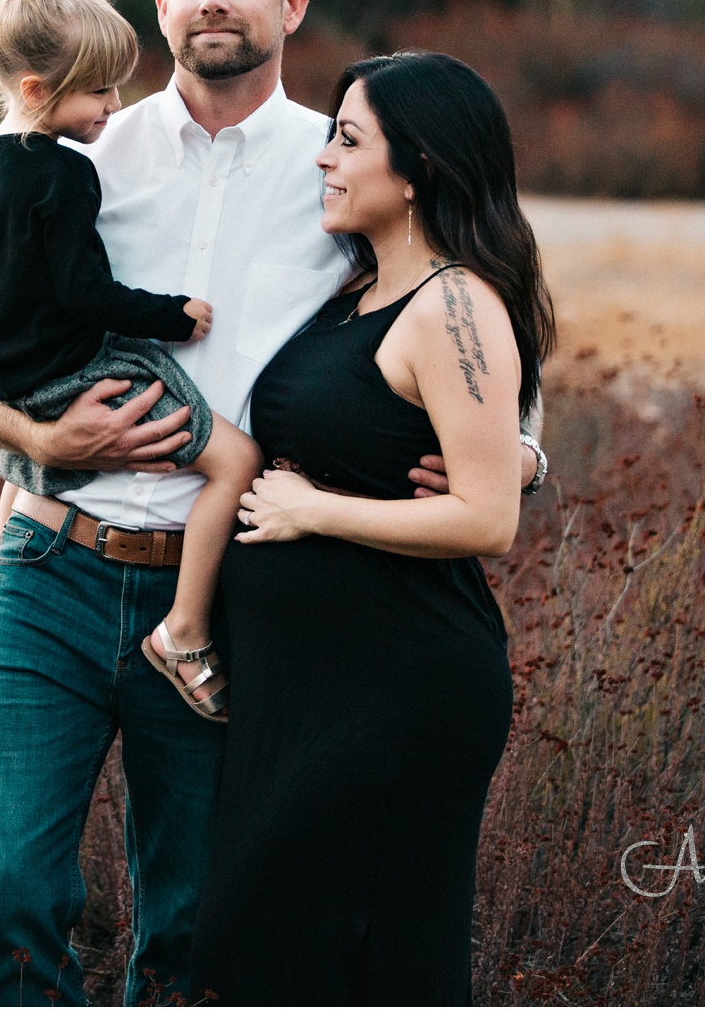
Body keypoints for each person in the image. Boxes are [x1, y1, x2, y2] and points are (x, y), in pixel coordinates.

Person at [0, 0, 549, 1005]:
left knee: (192, 921)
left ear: (291, 3)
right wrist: (34, 432)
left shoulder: (345, 164)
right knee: (11, 890)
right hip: (50, 566)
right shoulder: (78, 142)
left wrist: (521, 456)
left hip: (235, 598)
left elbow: (465, 308)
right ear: (160, 7)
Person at [189, 50, 556, 1006]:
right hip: (302, 689)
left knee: (360, 959)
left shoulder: (455, 303)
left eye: (348, 140)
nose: (325, 159)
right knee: (261, 947)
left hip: (398, 689)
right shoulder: (351, 293)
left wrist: (314, 510)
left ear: (419, 166)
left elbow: (488, 518)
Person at [0, 0, 262, 724]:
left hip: (9, 373)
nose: (112, 110)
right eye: (98, 94)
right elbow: (87, 293)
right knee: (235, 458)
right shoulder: (67, 171)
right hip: (69, 373)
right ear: (35, 86)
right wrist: (172, 316)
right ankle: (185, 632)